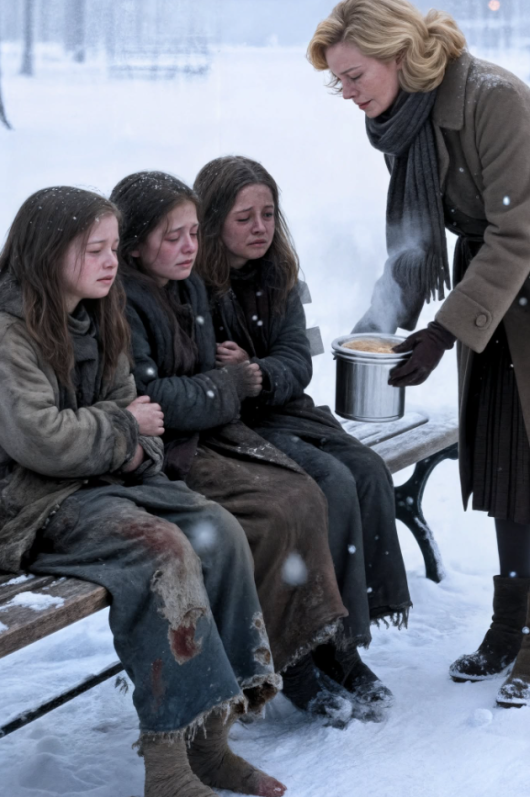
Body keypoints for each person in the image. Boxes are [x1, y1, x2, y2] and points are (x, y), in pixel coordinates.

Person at [308, 0, 530, 706]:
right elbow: (412, 243)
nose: (346, 93)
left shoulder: (488, 99)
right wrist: (375, 333)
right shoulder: (400, 122)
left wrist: (442, 332)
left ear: (396, 55)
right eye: (339, 82)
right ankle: (507, 623)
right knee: (506, 445)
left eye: (352, 75)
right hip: (495, 277)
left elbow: (516, 232)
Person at [0, 186, 286, 797]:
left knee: (220, 533)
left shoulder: (101, 314)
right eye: (94, 250)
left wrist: (130, 438)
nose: (110, 262)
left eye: (111, 248)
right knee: (162, 551)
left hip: (94, 481)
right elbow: (41, 439)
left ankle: (209, 742)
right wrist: (124, 431)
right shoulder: (6, 331)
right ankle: (167, 769)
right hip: (19, 502)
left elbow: (141, 413)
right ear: (48, 255)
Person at [110, 171, 357, 725]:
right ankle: (278, 662)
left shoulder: (190, 285)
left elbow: (201, 383)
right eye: (172, 237)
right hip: (164, 456)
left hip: (208, 433)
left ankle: (320, 643)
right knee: (272, 513)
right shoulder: (125, 302)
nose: (188, 248)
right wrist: (227, 388)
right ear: (134, 244)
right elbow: (156, 398)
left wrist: (219, 390)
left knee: (306, 492)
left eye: (194, 234)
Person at [192, 155, 412, 715]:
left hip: (282, 408)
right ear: (214, 220)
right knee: (328, 484)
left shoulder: (278, 274)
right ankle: (308, 644)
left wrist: (261, 372)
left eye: (268, 213)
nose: (260, 227)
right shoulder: (195, 283)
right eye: (244, 218)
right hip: (231, 427)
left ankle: (342, 642)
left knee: (366, 472)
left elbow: (297, 359)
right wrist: (234, 376)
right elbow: (193, 369)